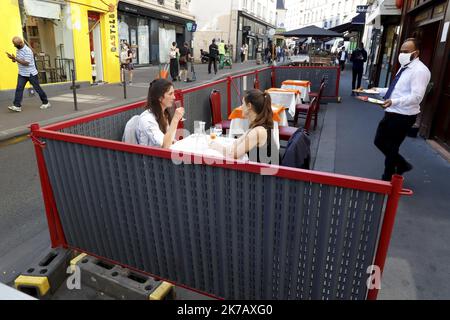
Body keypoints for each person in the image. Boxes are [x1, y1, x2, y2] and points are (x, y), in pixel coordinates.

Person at [372, 38, 431, 181]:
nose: (402, 54)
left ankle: (387, 178)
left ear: (416, 53)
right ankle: (402, 164)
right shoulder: (404, 66)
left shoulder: (420, 71)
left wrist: (394, 101)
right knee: (379, 141)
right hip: (392, 111)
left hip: (404, 115)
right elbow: (397, 90)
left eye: (406, 51)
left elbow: (416, 97)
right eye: (401, 51)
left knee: (392, 147)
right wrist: (376, 90)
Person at [209, 89, 279, 164]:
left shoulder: (258, 131)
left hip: (267, 174)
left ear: (249, 106)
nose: (241, 107)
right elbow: (235, 145)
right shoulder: (256, 127)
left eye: (243, 104)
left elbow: (232, 155)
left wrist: (215, 146)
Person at [136, 79, 185, 149]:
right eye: (170, 94)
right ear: (160, 98)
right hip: (151, 158)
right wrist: (175, 119)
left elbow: (170, 139)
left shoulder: (164, 113)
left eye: (173, 93)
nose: (174, 97)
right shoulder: (147, 119)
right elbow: (165, 146)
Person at [6, 36, 50, 112]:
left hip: (31, 74)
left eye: (15, 44)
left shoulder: (28, 51)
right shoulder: (18, 49)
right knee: (19, 89)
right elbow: (19, 60)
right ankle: (17, 106)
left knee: (37, 89)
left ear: (20, 43)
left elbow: (26, 63)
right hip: (22, 73)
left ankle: (46, 102)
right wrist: (13, 59)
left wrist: (16, 59)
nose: (14, 46)